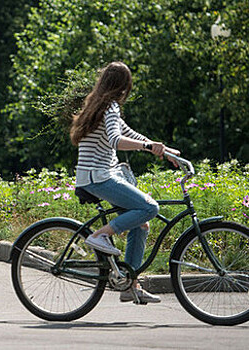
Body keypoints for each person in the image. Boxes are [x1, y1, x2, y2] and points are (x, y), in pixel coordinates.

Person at [70, 62, 180, 304]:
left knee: (141, 225)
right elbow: (116, 141)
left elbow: (129, 133)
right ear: (123, 87)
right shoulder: (108, 107)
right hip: (98, 177)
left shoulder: (99, 105)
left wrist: (164, 150)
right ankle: (100, 236)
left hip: (97, 175)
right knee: (150, 208)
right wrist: (148, 146)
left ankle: (129, 286)